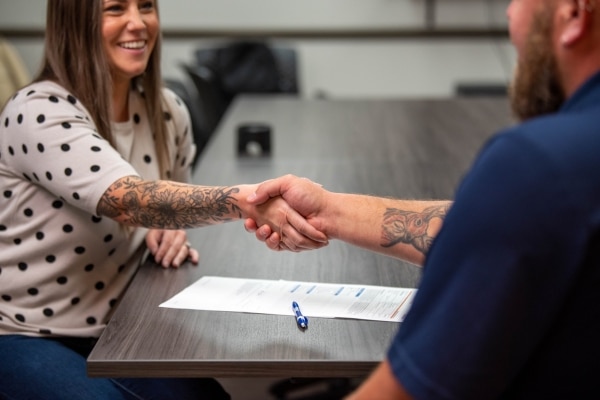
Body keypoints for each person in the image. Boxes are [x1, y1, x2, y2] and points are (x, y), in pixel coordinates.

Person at [246, 0, 600, 398]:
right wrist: (328, 211)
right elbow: (496, 231)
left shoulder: (536, 163)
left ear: (573, 13)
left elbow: (405, 392)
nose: (508, 13)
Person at [0, 1, 325, 399]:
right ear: (76, 21)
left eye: (147, 6)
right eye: (116, 8)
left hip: (121, 325)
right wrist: (249, 201)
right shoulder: (36, 112)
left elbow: (168, 207)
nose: (138, 23)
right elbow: (131, 201)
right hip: (26, 333)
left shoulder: (167, 111)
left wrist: (171, 231)